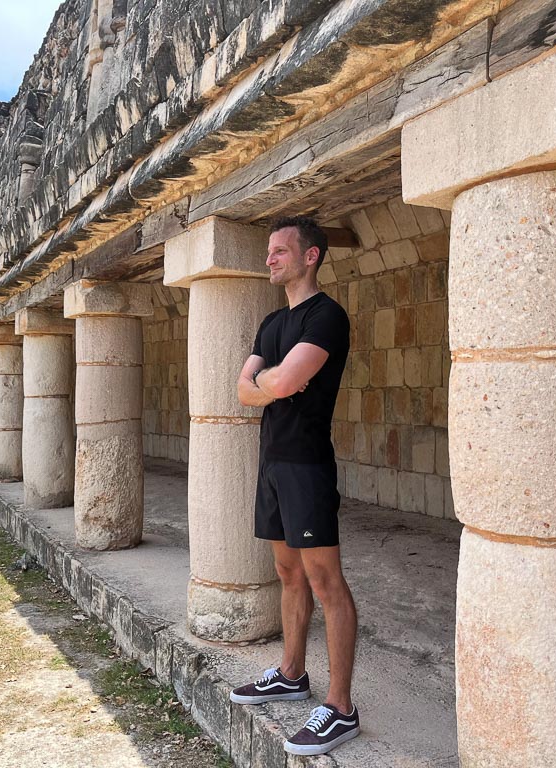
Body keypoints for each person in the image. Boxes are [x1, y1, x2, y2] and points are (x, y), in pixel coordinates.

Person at [229, 216, 358, 756]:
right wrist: (270, 384)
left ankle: (342, 707)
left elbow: (278, 381)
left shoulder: (326, 316)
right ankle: (290, 672)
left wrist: (268, 383)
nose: (270, 258)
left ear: (312, 256)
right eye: (269, 251)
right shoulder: (270, 323)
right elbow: (245, 391)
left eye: (281, 250)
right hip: (272, 462)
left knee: (325, 579)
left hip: (306, 463)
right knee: (287, 571)